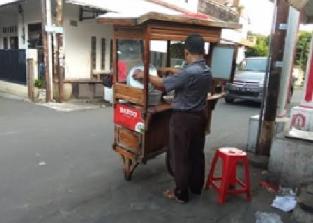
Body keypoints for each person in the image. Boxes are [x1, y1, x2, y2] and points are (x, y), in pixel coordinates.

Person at [133, 34, 212, 203]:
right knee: (196, 154)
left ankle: (181, 193)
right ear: (203, 51)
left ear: (186, 52)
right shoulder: (205, 70)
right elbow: (183, 74)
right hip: (200, 117)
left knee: (179, 156)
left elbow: (162, 84)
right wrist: (169, 70)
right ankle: (196, 187)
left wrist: (144, 75)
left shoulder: (190, 72)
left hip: (183, 120)